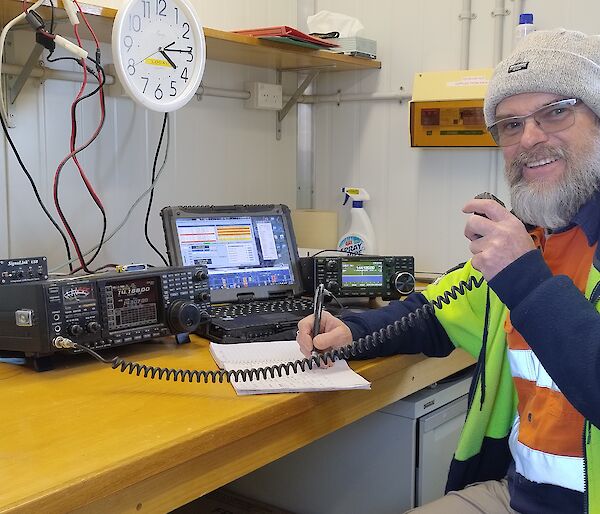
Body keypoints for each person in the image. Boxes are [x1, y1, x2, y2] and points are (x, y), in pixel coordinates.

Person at [296, 28, 600, 514]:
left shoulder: (523, 259)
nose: (530, 138)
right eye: (510, 124)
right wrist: (352, 329)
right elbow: (434, 312)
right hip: (518, 498)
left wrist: (524, 277)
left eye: (557, 111)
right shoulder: (536, 237)